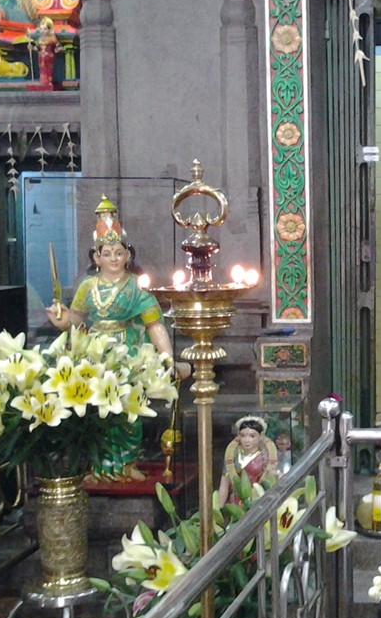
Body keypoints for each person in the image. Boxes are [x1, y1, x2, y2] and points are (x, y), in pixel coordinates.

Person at [46, 196, 189, 478]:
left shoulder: (136, 286)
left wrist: (167, 358)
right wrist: (62, 321)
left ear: (128, 255)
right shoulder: (88, 286)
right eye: (107, 253)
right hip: (95, 352)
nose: (113, 258)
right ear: (96, 257)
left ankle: (127, 463)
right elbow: (76, 318)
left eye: (118, 252)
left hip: (128, 351)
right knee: (97, 409)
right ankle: (99, 465)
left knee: (127, 411)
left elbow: (154, 325)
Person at [218, 416, 279, 506]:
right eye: (243, 436)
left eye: (252, 436)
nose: (247, 440)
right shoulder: (233, 455)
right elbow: (224, 484)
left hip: (260, 500)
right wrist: (218, 510)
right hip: (237, 501)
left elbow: (273, 480)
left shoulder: (266, 456)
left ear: (261, 436)